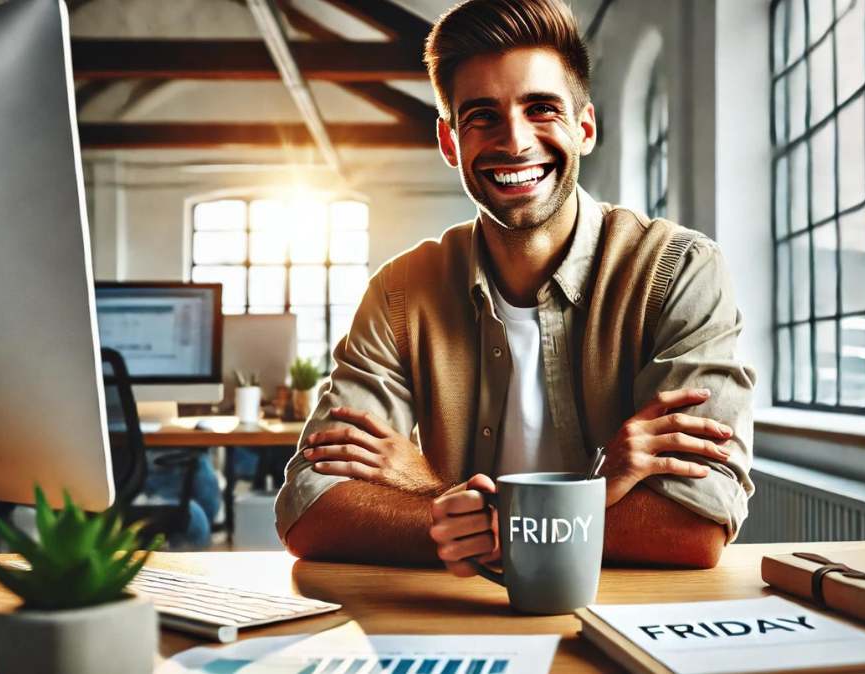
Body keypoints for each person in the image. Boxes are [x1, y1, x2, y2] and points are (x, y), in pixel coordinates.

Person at [275, 0, 755, 570]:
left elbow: (692, 526)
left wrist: (434, 492)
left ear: (585, 127)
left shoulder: (678, 270)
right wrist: (595, 496)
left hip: (627, 619)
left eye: (541, 109)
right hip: (453, 622)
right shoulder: (400, 293)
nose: (514, 141)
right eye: (481, 116)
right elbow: (311, 511)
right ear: (450, 142)